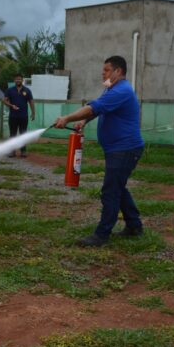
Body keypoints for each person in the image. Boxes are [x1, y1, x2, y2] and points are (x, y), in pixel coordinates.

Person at [53, 56, 144, 247]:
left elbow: (94, 107)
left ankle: (102, 235)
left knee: (110, 191)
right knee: (118, 187)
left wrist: (67, 118)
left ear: (118, 71)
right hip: (118, 149)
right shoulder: (111, 89)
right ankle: (134, 226)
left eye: (107, 70)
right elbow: (98, 110)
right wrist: (83, 121)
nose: (103, 73)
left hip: (125, 149)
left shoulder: (122, 90)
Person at [2, 74, 36, 158]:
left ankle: (23, 151)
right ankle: (12, 152)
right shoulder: (10, 90)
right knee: (12, 134)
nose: (18, 81)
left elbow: (31, 101)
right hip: (13, 116)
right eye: (17, 79)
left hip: (24, 116)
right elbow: (4, 101)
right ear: (14, 80)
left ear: (22, 80)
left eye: (20, 79)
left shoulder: (27, 90)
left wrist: (33, 112)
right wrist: (11, 105)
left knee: (23, 134)